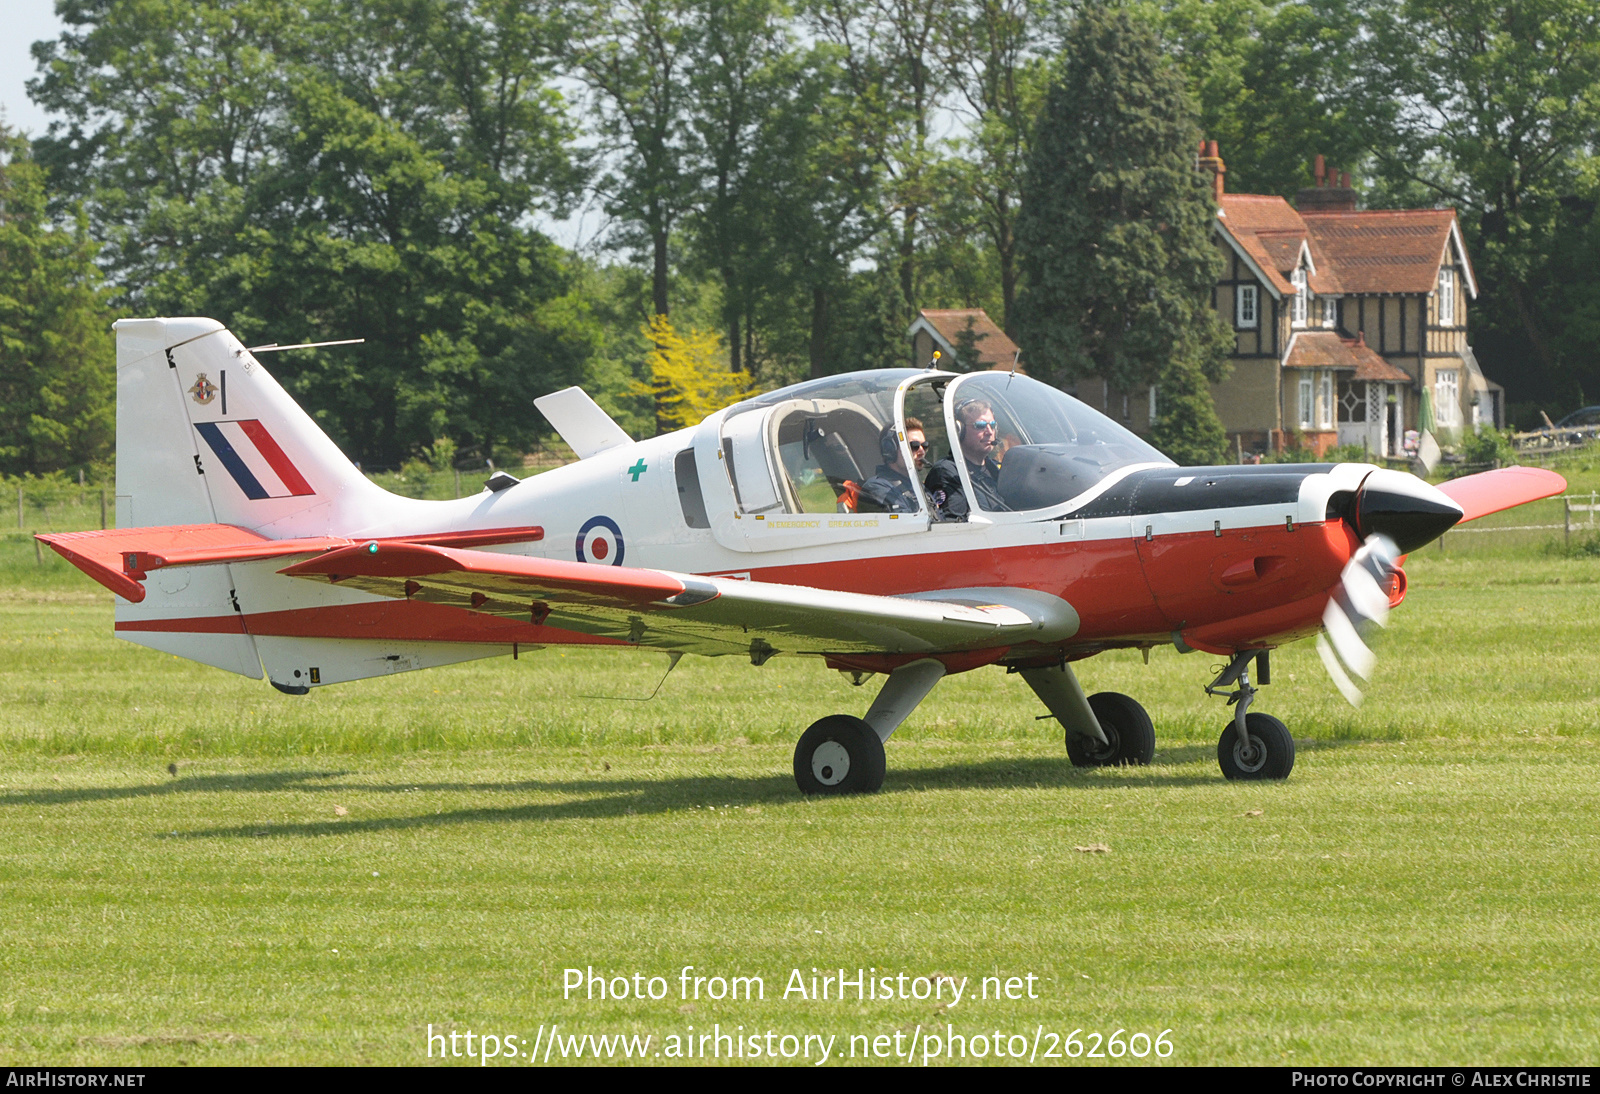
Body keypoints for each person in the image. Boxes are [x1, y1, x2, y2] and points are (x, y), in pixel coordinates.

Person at [924, 398, 1009, 520]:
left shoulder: (996, 469)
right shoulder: (948, 472)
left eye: (992, 425)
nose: (989, 432)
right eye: (980, 425)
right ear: (959, 430)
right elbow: (956, 527)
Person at [858, 417, 928, 513]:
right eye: (914, 446)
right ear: (890, 450)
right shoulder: (878, 488)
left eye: (924, 446)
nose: (922, 451)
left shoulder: (917, 486)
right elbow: (906, 524)